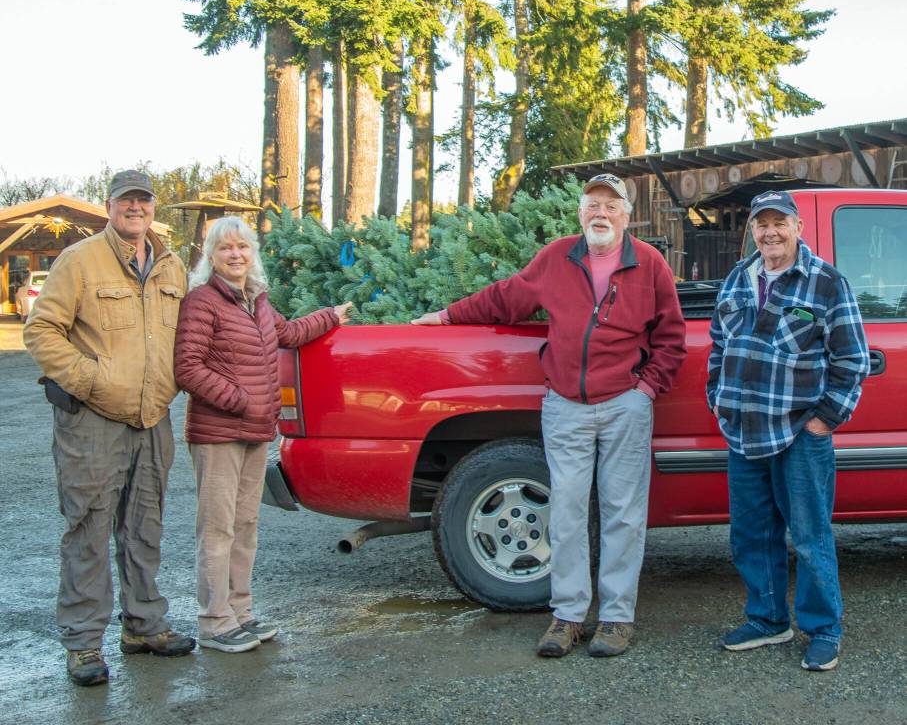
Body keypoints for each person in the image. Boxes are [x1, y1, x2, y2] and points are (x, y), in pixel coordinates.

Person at [412, 173, 686, 658]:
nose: (600, 212)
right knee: (565, 513)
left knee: (624, 515)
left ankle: (617, 619)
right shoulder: (558, 257)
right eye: (592, 204)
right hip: (565, 406)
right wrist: (449, 316)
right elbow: (507, 297)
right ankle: (568, 616)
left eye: (610, 204)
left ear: (626, 214)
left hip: (625, 404)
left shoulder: (650, 265)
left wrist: (645, 390)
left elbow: (671, 338)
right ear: (581, 213)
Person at [24, 169, 196, 687]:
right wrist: (89, 380)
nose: (135, 209)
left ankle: (144, 624)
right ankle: (82, 643)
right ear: (109, 206)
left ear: (152, 208)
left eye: (143, 201)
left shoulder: (171, 266)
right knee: (89, 529)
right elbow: (41, 329)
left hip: (152, 419)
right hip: (92, 421)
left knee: (145, 526)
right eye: (126, 201)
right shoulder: (80, 261)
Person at [173, 216, 352, 653]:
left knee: (245, 525)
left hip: (255, 433)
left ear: (252, 253)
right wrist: (239, 400)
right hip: (218, 434)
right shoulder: (203, 302)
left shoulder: (257, 301)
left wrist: (331, 316)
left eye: (242, 247)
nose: (235, 255)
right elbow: (187, 368)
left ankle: (241, 612)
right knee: (217, 528)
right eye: (225, 248)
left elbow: (288, 334)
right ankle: (214, 622)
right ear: (211, 256)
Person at [708, 190, 869, 672]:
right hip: (744, 432)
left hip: (801, 434)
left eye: (780, 222)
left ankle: (824, 629)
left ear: (798, 227)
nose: (770, 232)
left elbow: (852, 359)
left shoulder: (826, 283)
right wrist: (719, 400)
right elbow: (719, 346)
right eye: (762, 224)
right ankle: (767, 619)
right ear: (751, 230)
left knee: (810, 535)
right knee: (751, 534)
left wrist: (824, 422)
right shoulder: (738, 279)